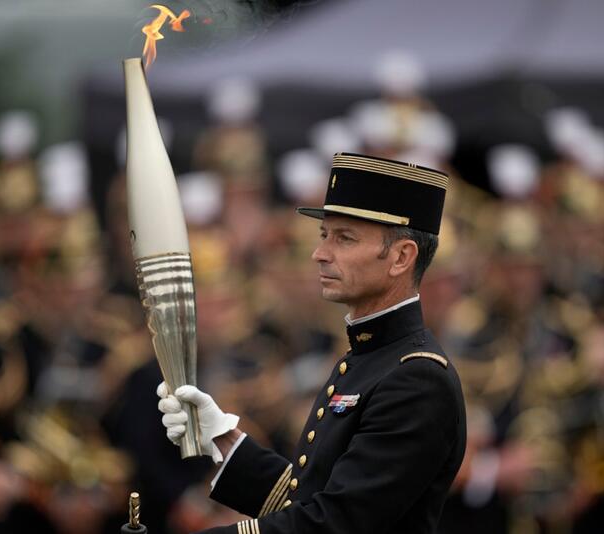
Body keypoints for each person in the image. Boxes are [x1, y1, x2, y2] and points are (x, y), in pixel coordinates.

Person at [157, 152, 467, 533]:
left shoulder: (416, 379)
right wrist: (222, 438)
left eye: (344, 238)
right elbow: (305, 498)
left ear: (401, 257)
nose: (320, 253)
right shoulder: (370, 358)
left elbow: (335, 523)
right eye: (324, 235)